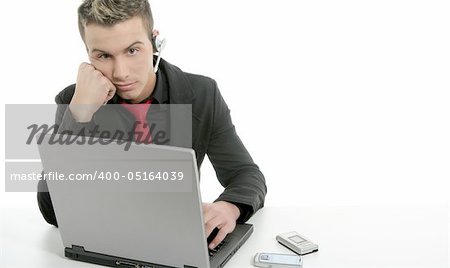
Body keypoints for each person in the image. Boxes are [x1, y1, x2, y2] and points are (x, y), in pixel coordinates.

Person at [37, 0, 266, 250]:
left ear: (155, 42)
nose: (121, 72)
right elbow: (53, 211)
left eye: (132, 50)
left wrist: (229, 207)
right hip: (109, 245)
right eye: (103, 55)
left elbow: (246, 173)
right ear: (88, 55)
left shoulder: (201, 93)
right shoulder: (75, 101)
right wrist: (79, 114)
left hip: (175, 242)